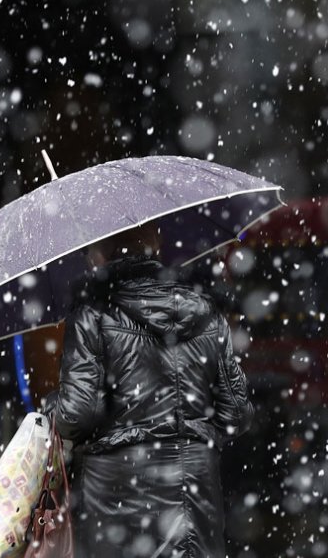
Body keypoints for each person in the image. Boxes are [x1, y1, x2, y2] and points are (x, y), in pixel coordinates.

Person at [43, 222, 254, 558]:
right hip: (193, 482)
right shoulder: (206, 314)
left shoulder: (91, 317)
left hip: (117, 489)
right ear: (155, 246)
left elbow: (75, 416)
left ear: (100, 255)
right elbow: (236, 416)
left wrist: (51, 406)